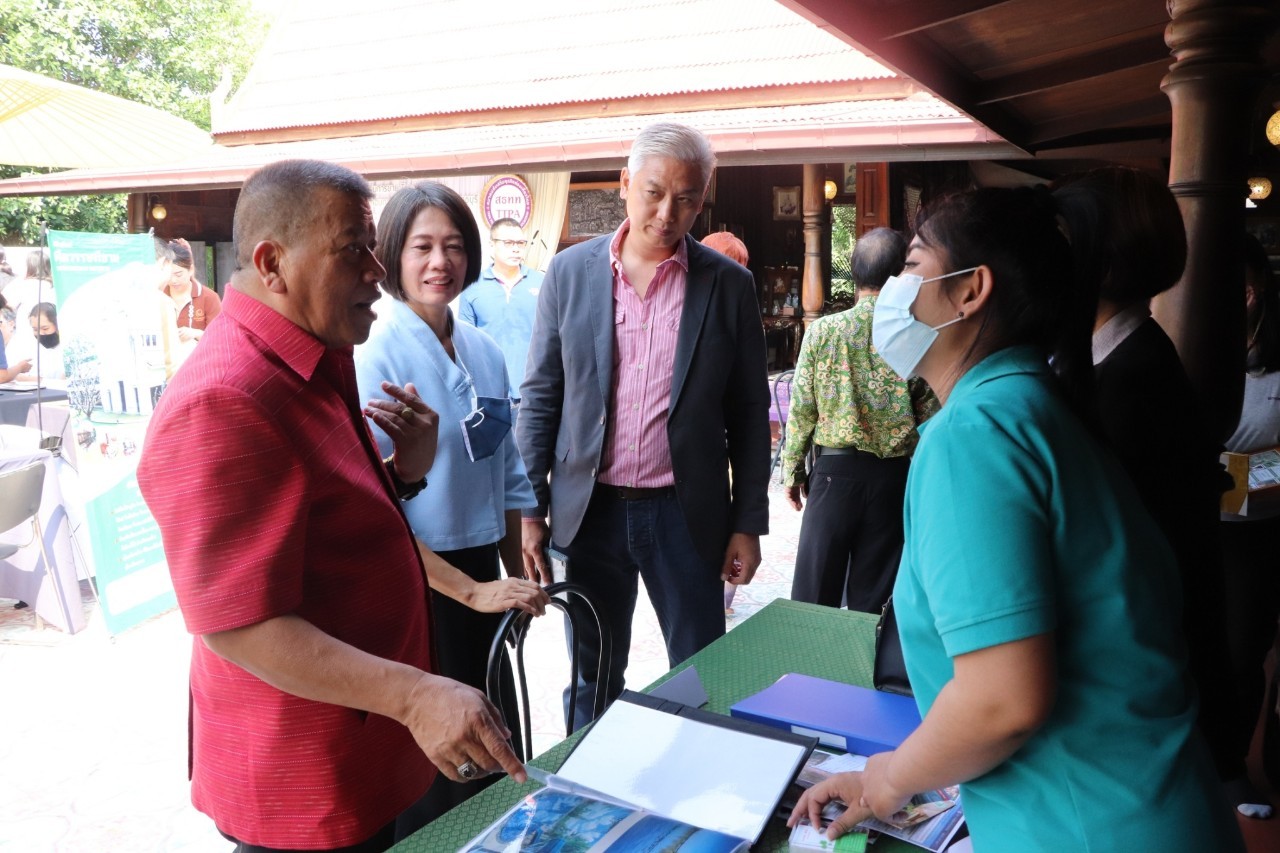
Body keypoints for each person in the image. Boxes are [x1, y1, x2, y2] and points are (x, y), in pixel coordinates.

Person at [789, 187, 1243, 851]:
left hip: (1089, 828)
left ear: (970, 290)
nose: (893, 290)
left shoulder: (973, 436)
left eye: (912, 265)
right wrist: (883, 775)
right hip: (1145, 809)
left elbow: (1000, 699)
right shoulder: (1033, 404)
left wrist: (889, 780)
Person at [136, 159, 525, 853]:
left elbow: (317, 517)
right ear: (272, 264)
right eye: (354, 250)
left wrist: (403, 473)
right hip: (300, 773)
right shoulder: (223, 397)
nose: (377, 271)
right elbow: (239, 624)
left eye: (373, 248)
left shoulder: (313, 351)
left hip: (358, 746)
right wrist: (416, 694)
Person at [517, 122, 771, 724]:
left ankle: (699, 774)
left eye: (686, 199)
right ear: (625, 183)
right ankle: (588, 778)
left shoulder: (728, 286)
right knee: (593, 674)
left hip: (686, 512)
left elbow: (747, 413)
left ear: (702, 200)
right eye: (654, 193)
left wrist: (748, 523)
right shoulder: (570, 273)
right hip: (592, 511)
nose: (666, 213)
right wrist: (529, 510)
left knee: (704, 671)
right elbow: (542, 394)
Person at [1054, 166, 1256, 815]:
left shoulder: (1134, 383)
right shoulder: (1106, 361)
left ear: (1100, 265)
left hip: (1133, 693)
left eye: (1058, 243)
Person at [354, 181, 547, 824]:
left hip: (483, 572)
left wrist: (514, 573)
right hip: (417, 580)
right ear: (392, 255)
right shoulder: (375, 350)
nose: (441, 262)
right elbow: (372, 507)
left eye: (455, 246)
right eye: (423, 247)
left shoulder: (484, 351)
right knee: (439, 762)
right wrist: (470, 590)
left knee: (495, 742)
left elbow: (506, 471)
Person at [780, 227, 937, 612]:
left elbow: (802, 409)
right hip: (892, 480)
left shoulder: (823, 332)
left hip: (834, 476)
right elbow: (929, 419)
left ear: (854, 273)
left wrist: (793, 472)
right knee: (875, 606)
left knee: (814, 602)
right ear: (902, 273)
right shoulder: (916, 336)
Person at [1220, 232, 1280, 815]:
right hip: (1183, 520)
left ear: (1252, 291)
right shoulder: (1183, 340)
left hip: (1255, 530)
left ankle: (1232, 767)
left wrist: (1232, 475)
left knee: (1241, 650)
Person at [458, 217, 544, 398]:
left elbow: (553, 335)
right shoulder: (472, 286)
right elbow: (464, 343)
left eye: (520, 243)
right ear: (492, 245)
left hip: (535, 388)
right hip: (489, 390)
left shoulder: (542, 282)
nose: (516, 249)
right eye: (508, 243)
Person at [162, 237, 222, 366]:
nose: (173, 280)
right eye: (169, 274)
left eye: (178, 274)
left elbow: (220, 339)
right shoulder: (159, 296)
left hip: (201, 365)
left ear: (191, 270)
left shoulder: (209, 297)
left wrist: (196, 333)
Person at [12, 302, 65, 382]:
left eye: (45, 328)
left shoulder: (69, 350)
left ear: (57, 325)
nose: (40, 333)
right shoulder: (31, 348)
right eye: (35, 329)